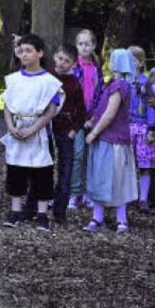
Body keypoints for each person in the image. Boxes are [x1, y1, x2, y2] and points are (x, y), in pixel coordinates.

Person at [0, 33, 64, 231]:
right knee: (16, 170)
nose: (25, 54)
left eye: (29, 50)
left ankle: (42, 214)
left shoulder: (49, 82)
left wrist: (33, 129)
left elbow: (51, 111)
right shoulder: (13, 79)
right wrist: (11, 127)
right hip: (17, 129)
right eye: (22, 51)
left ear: (40, 53)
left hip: (38, 131)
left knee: (41, 172)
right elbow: (8, 106)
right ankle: (16, 211)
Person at [84, 48, 138, 232]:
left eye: (113, 59)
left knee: (115, 178)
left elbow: (110, 113)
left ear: (117, 63)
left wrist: (94, 132)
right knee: (101, 177)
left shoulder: (119, 86)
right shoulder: (115, 84)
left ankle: (120, 219)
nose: (109, 62)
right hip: (107, 138)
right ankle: (98, 218)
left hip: (112, 140)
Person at [49, 43, 86, 224]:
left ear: (73, 64)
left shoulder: (74, 84)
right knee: (43, 168)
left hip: (65, 130)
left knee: (66, 170)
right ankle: (35, 206)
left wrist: (74, 130)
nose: (62, 63)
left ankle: (60, 211)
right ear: (55, 56)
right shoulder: (46, 76)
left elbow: (81, 111)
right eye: (60, 58)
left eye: (67, 61)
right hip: (45, 128)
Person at [68, 27, 104, 209]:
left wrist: (95, 117)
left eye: (87, 44)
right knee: (78, 154)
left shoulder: (97, 70)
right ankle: (75, 193)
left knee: (90, 157)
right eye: (80, 44)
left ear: (93, 45)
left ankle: (88, 193)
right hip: (76, 120)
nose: (83, 47)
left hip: (92, 119)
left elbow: (100, 95)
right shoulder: (73, 68)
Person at [127, 45, 155, 212]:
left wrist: (152, 129)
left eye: (134, 60)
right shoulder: (125, 82)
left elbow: (152, 107)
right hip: (128, 126)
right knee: (128, 163)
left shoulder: (148, 83)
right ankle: (129, 196)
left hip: (144, 127)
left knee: (145, 164)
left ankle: (143, 198)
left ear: (141, 62)